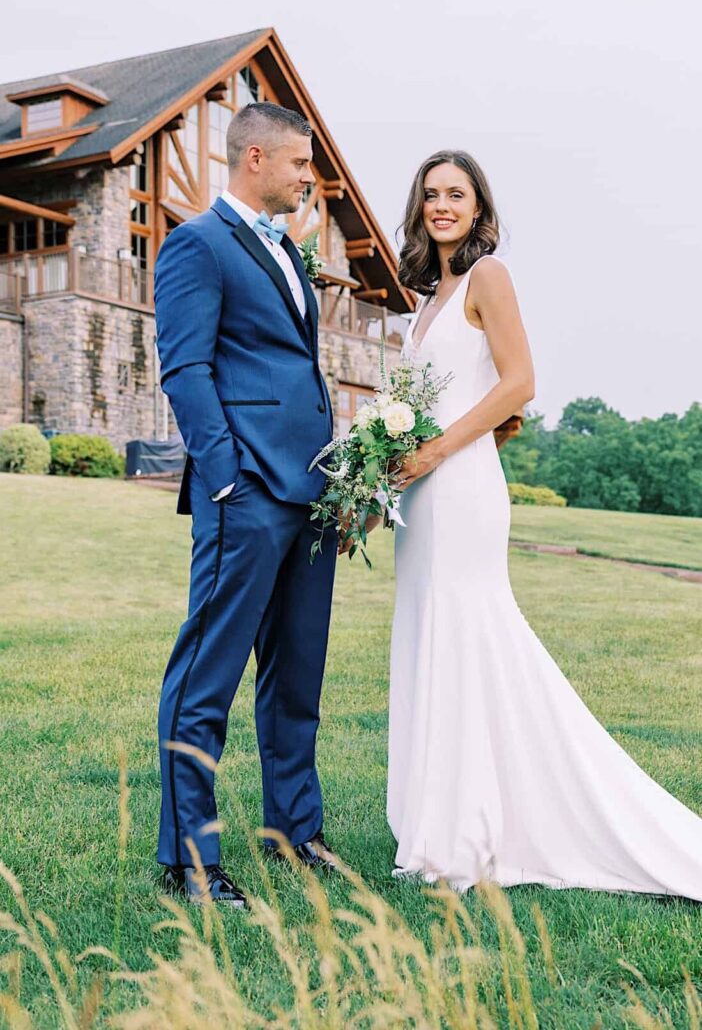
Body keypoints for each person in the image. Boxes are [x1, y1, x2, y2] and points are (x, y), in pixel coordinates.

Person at [386, 149, 702, 899]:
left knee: (470, 635)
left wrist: (436, 451)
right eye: (431, 194)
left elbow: (520, 381)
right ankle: (437, 822)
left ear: (478, 207)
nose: (442, 206)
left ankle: (468, 836)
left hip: (459, 490)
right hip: (420, 496)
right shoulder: (430, 297)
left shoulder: (488, 277)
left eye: (456, 194)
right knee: (432, 637)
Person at [154, 102, 337, 907]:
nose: (309, 178)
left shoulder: (289, 252)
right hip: (249, 494)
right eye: (301, 164)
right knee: (209, 677)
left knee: (296, 677)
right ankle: (190, 860)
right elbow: (186, 370)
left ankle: (292, 832)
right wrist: (226, 477)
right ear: (255, 157)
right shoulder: (197, 245)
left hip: (314, 497)